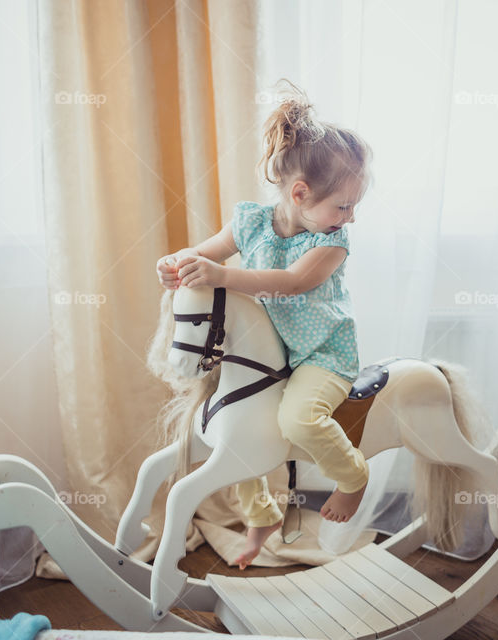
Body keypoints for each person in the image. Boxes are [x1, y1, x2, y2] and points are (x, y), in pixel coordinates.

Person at [155, 80, 372, 569]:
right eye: (344, 205)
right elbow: (201, 255)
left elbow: (292, 283)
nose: (351, 217)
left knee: (299, 418)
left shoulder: (331, 243)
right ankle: (261, 515)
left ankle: (353, 478)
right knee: (235, 428)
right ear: (299, 193)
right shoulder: (249, 222)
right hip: (275, 352)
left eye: (353, 206)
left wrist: (225, 274)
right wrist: (174, 263)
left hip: (321, 355)